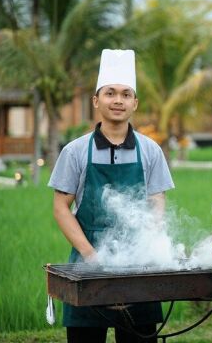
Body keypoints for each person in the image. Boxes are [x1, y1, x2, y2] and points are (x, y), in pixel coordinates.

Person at [49, 49, 175, 343]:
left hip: (139, 267)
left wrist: (146, 247)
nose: (118, 100)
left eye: (125, 94)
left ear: (135, 103)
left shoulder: (150, 150)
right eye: (110, 93)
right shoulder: (76, 151)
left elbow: (157, 202)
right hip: (87, 263)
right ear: (96, 100)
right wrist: (93, 258)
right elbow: (60, 207)